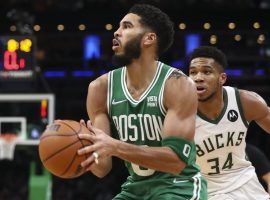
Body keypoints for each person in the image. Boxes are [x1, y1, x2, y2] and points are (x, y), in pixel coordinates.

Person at [77, 4, 207, 200]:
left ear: (149, 38)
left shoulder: (177, 85)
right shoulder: (100, 89)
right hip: (135, 189)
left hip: (179, 186)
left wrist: (115, 146)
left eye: (127, 26)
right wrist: (85, 148)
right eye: (118, 26)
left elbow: (176, 162)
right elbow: (102, 169)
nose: (117, 32)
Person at [188, 45, 270, 200]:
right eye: (193, 72)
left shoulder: (245, 101)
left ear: (222, 78)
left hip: (246, 185)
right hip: (205, 189)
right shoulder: (181, 112)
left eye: (206, 71)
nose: (198, 77)